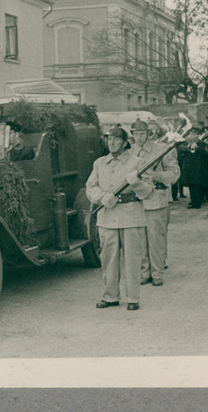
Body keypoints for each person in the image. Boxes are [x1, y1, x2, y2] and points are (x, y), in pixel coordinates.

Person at [85, 126, 153, 311]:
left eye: (116, 139)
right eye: (109, 139)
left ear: (125, 142)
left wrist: (137, 183)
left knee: (132, 259)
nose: (112, 143)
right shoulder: (99, 163)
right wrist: (102, 196)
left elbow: (148, 192)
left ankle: (133, 298)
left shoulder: (138, 163)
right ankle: (110, 296)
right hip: (107, 217)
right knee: (108, 258)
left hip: (131, 216)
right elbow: (90, 187)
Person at [129, 119, 179, 287]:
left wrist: (156, 176)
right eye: (135, 134)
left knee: (156, 239)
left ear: (148, 133)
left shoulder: (161, 150)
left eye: (142, 133)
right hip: (136, 201)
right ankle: (144, 272)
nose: (139, 137)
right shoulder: (129, 153)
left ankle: (157, 273)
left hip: (156, 199)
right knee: (140, 239)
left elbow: (174, 173)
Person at [179, 128, 208, 208]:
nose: (192, 135)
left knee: (198, 185)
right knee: (191, 185)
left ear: (197, 135)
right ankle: (193, 201)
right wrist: (188, 147)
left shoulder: (201, 143)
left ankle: (198, 202)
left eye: (194, 133)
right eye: (191, 133)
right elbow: (180, 150)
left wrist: (197, 147)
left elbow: (206, 153)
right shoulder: (185, 142)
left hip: (198, 167)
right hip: (189, 167)